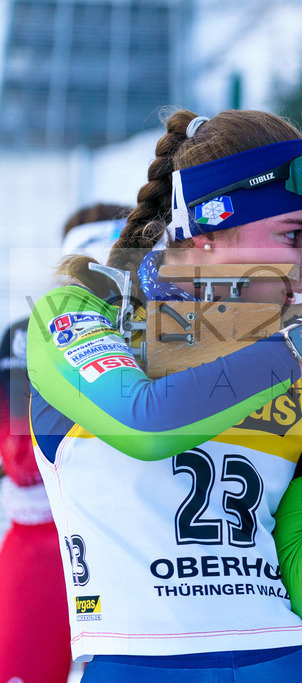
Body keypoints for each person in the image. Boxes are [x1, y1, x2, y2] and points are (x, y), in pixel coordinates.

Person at [27, 109, 302, 680]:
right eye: (293, 235)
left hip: (295, 661)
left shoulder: (301, 359)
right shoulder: (82, 313)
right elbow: (148, 424)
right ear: (210, 232)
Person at [0, 203, 128, 683]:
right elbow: (22, 462)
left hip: (140, 546)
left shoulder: (171, 332)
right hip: (46, 549)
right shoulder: (28, 334)